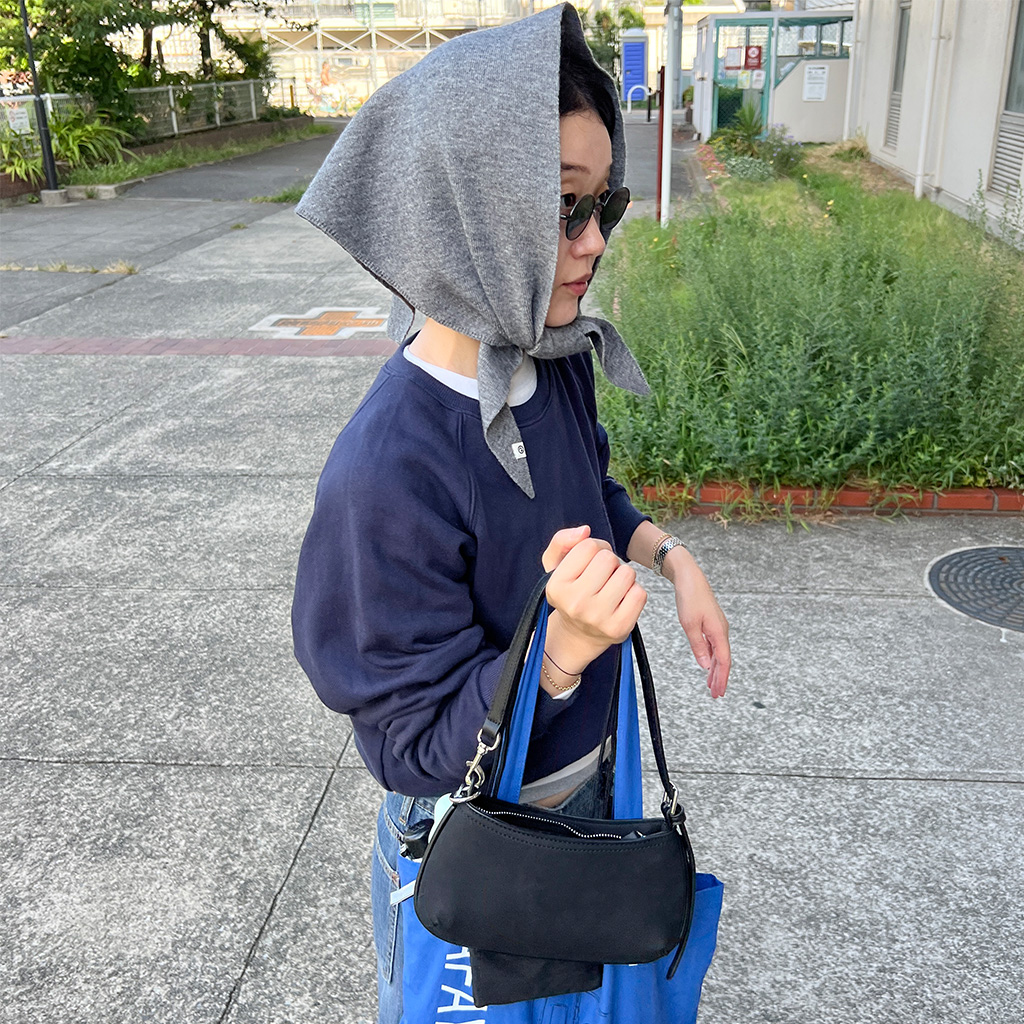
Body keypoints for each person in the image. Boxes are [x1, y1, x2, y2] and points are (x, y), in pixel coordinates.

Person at [290, 5, 730, 1020]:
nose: (594, 242)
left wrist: (670, 556)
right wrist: (558, 654)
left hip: (585, 780)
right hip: (480, 838)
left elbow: (591, 494)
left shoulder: (549, 358)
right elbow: (412, 746)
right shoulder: (387, 470)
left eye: (605, 203)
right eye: (564, 206)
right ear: (468, 207)